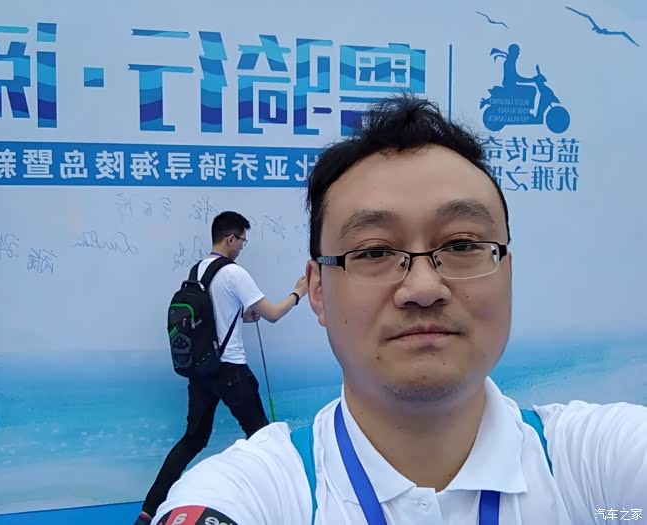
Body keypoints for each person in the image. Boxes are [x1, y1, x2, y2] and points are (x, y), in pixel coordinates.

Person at [146, 95, 647, 525]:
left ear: (507, 273)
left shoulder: (595, 478)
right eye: (374, 252)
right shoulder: (260, 494)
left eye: (463, 244)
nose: (424, 288)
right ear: (318, 289)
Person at [134, 211, 308, 525]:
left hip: (202, 370)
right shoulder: (234, 273)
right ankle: (277, 511)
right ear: (230, 238)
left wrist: (242, 316)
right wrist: (298, 293)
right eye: (242, 241)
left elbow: (211, 316)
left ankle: (148, 511)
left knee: (192, 440)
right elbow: (272, 314)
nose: (242, 247)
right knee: (264, 440)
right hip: (230, 371)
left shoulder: (197, 270)